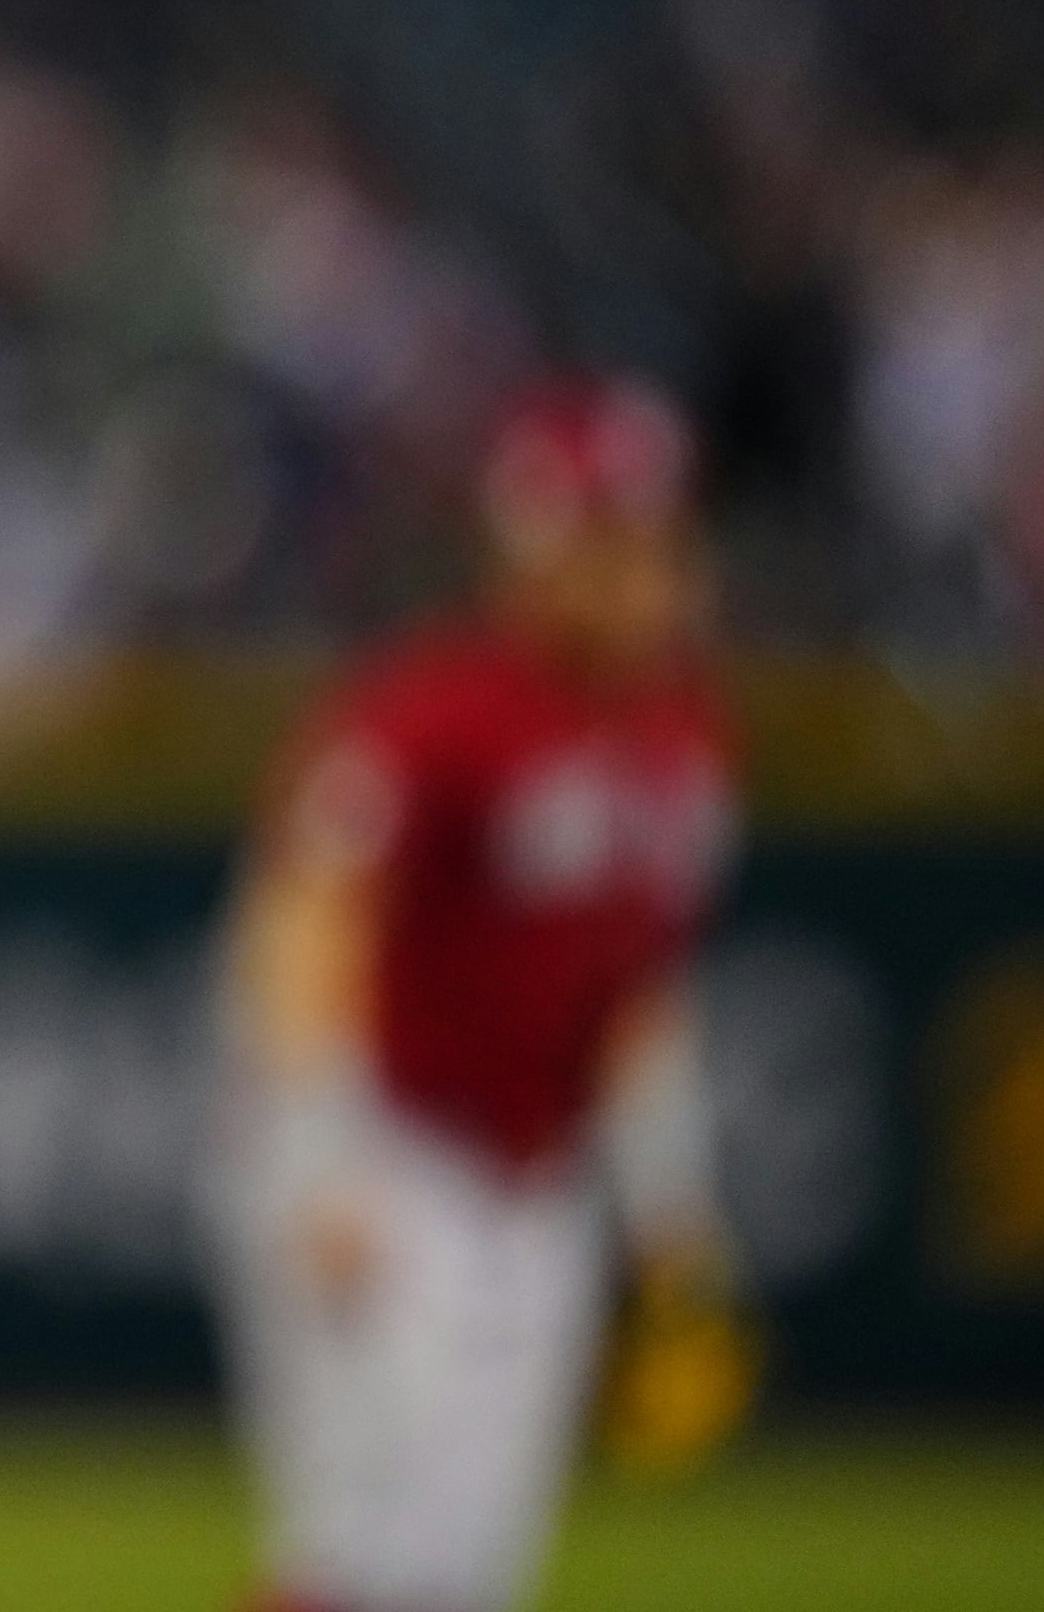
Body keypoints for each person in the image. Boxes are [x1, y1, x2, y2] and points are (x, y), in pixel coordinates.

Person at [210, 376, 757, 1612]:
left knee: (464, 1577)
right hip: (390, 1150)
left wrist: (671, 1213)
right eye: (608, 537)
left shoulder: (685, 734)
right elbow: (302, 921)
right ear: (534, 548)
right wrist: (316, 1159)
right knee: (358, 1561)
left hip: (537, 1182)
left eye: (658, 535)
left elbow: (639, 998)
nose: (645, 570)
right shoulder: (439, 709)